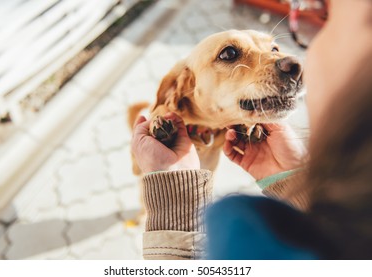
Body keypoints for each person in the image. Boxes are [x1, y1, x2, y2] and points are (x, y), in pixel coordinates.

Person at [131, 0, 372, 260]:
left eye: (327, 17)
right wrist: (288, 177)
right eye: (230, 54)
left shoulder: (242, 236)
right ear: (182, 87)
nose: (288, 62)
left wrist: (173, 208)